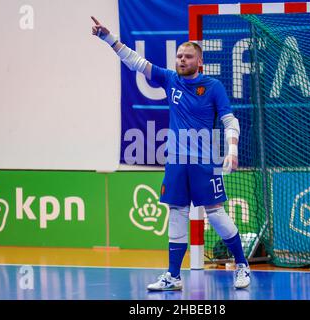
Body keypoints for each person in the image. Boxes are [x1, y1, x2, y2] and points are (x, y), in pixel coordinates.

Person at [91, 17, 250, 290]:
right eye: (179, 56)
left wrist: (232, 150)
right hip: (176, 163)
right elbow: (135, 62)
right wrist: (108, 38)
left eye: (188, 56)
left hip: (204, 163)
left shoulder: (213, 87)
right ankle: (173, 277)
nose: (181, 60)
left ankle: (242, 266)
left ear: (199, 62)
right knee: (176, 214)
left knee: (215, 214)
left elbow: (230, 121)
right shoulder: (169, 79)